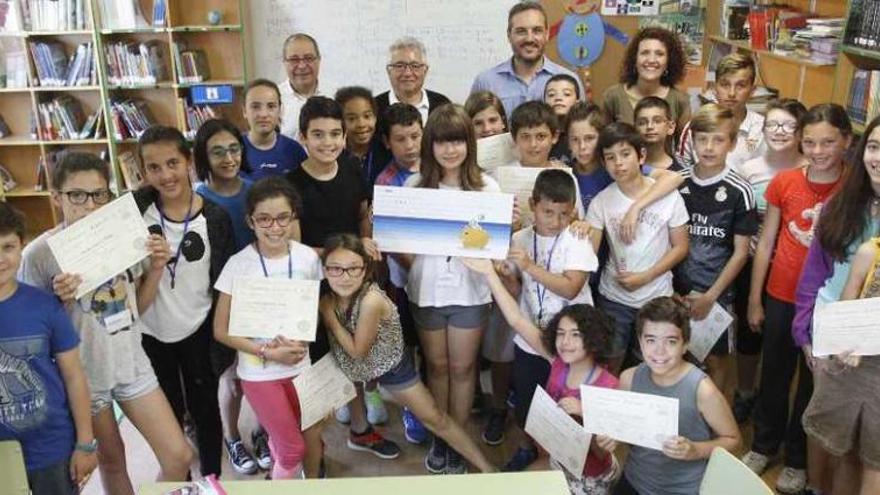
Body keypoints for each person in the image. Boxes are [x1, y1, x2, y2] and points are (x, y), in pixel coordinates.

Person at [18, 153, 191, 494]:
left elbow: (135, 308)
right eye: (77, 195)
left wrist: (156, 268)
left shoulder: (125, 235)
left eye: (99, 194)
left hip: (131, 362)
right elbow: (32, 334)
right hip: (85, 377)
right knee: (113, 461)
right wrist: (59, 301)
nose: (89, 205)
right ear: (57, 197)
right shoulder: (38, 254)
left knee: (180, 455)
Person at [319, 233, 497, 474]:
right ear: (324, 270)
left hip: (390, 366)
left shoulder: (370, 300)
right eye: (336, 269)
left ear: (365, 270)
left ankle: (486, 467)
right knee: (315, 419)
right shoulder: (328, 296)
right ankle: (349, 438)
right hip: (353, 367)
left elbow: (358, 351)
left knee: (435, 418)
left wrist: (330, 318)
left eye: (353, 268)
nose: (344, 276)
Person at [743, 104, 851, 494]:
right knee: (773, 375)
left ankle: (797, 458)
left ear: (846, 142)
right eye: (810, 142)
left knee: (811, 385)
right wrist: (755, 297)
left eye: (828, 142)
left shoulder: (853, 188)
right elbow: (767, 241)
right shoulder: (786, 182)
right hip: (780, 295)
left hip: (828, 306)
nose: (819, 150)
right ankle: (762, 444)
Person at [287, 96, 398, 458]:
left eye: (336, 133)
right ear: (303, 136)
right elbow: (295, 247)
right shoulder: (293, 184)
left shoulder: (351, 168)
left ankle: (360, 428)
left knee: (353, 359)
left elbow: (363, 215)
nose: (328, 142)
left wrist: (368, 259)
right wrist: (344, 255)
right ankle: (314, 448)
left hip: (355, 281)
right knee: (321, 363)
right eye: (318, 135)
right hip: (316, 287)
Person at [399, 104, 500, 474]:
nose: (451, 150)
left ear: (469, 144)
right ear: (431, 146)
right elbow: (402, 240)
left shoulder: (487, 186)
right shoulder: (414, 185)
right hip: (426, 291)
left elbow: (492, 244)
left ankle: (458, 440)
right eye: (442, 142)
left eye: (457, 141)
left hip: (471, 292)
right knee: (437, 367)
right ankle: (441, 436)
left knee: (462, 368)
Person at [463, 256, 620, 494]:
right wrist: (489, 273)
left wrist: (585, 412)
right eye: (561, 333)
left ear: (594, 339)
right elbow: (516, 319)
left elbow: (601, 452)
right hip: (557, 460)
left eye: (576, 335)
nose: (565, 342)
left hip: (589, 477)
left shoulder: (608, 386)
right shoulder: (557, 361)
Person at [134, 125, 237, 479]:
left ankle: (210, 479)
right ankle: (181, 481)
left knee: (206, 409)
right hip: (150, 332)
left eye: (172, 163)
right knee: (169, 411)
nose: (165, 175)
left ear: (189, 162)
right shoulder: (135, 215)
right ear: (142, 172)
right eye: (154, 167)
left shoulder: (216, 218)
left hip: (198, 329)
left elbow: (223, 283)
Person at [791, 114, 880, 495]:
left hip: (874, 351)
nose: (878, 158)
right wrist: (806, 333)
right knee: (831, 434)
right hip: (833, 334)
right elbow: (814, 277)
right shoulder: (839, 206)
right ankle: (816, 487)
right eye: (874, 147)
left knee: (869, 450)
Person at [213, 178, 323, 479]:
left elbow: (310, 307)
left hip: (301, 365)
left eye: (282, 217)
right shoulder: (239, 265)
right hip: (259, 372)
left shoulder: (308, 258)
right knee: (292, 450)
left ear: (294, 217)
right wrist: (265, 351)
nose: (274, 226)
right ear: (250, 221)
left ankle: (278, 473)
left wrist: (298, 341)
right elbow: (221, 330)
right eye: (264, 218)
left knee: (290, 439)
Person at [496, 169, 600, 473]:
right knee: (529, 402)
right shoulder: (519, 238)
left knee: (567, 405)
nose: (555, 221)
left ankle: (567, 461)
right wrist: (506, 277)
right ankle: (530, 449)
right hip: (531, 338)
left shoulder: (577, 238)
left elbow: (570, 287)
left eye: (563, 214)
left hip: (572, 344)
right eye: (547, 212)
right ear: (533, 205)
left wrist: (528, 266)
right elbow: (517, 290)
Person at [0, 202, 98, 495]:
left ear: (22, 247)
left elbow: (74, 377)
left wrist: (85, 443)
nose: (0, 257)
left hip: (52, 448)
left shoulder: (45, 306)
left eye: (8, 247)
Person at [192, 119, 269, 473]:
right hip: (219, 299)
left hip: (260, 295)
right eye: (217, 151)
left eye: (234, 149)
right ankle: (232, 436)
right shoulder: (197, 200)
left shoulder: (256, 190)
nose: (228, 158)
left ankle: (262, 432)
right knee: (230, 377)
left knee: (264, 370)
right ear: (203, 156)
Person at [586, 122, 689, 375]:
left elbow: (681, 247)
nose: (618, 163)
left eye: (625, 154)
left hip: (657, 296)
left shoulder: (669, 197)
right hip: (613, 298)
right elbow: (589, 253)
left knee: (654, 365)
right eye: (610, 158)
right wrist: (578, 227)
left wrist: (646, 276)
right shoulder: (602, 201)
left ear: (641, 155)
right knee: (609, 362)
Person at [613, 297, 741, 495]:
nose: (659, 351)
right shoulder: (629, 379)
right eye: (650, 340)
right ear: (640, 342)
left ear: (685, 345)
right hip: (635, 480)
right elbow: (625, 428)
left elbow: (733, 440)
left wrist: (695, 450)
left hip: (684, 489)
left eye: (671, 341)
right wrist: (613, 437)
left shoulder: (702, 389)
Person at [733, 98, 807, 425]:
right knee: (749, 333)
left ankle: (773, 398)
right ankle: (745, 392)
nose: (779, 131)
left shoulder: (809, 169)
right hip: (752, 261)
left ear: (801, 131)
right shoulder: (750, 169)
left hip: (793, 269)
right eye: (772, 125)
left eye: (788, 125)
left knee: (783, 342)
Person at [674, 104, 758, 392]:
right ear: (692, 140)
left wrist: (710, 296)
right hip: (676, 292)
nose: (709, 147)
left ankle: (714, 426)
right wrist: (672, 289)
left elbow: (741, 252)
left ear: (732, 143)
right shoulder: (678, 181)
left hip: (716, 296)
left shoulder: (740, 191)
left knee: (715, 363)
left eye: (718, 140)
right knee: (675, 357)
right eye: (702, 139)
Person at [797, 235, 880, 495]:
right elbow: (846, 309)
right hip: (857, 370)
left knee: (876, 464)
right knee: (848, 453)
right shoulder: (870, 252)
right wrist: (848, 341)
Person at [374, 102, 429, 445]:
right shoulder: (386, 182)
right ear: (386, 142)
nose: (410, 146)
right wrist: (420, 268)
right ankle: (412, 405)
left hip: (440, 280)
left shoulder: (436, 169)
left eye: (415, 136)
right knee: (409, 342)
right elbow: (391, 240)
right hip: (404, 279)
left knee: (431, 345)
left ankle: (432, 399)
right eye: (400, 139)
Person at [471, 1, 584, 117]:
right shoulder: (485, 82)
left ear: (547, 34)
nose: (529, 39)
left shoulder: (569, 81)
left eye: (537, 31)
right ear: (509, 35)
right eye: (521, 31)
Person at [678, 53, 764, 172]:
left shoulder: (762, 129)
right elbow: (681, 172)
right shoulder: (695, 125)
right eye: (725, 85)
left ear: (752, 91)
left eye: (741, 85)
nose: (732, 93)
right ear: (714, 88)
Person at [601, 27, 690, 131]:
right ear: (635, 59)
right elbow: (604, 142)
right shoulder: (613, 97)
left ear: (668, 62)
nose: (651, 60)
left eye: (659, 54)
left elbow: (685, 145)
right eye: (645, 53)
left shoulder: (679, 101)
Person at [241, 79, 308, 181]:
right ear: (244, 111)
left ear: (280, 110)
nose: (263, 114)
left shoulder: (294, 150)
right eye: (255, 107)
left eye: (271, 106)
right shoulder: (234, 150)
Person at [376, 37, 451, 125]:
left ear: (425, 70)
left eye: (415, 66)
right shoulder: (374, 109)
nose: (407, 73)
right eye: (400, 66)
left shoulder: (442, 105)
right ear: (389, 71)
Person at [335, 86, 393, 191]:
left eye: (367, 116)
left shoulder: (387, 152)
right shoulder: (334, 154)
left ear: (375, 117)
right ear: (340, 121)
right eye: (351, 118)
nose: (361, 124)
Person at [279, 33, 323, 141]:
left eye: (308, 58)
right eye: (294, 60)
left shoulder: (335, 95)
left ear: (319, 60)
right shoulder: (273, 100)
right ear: (284, 62)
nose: (302, 66)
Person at [634, 96, 681, 171]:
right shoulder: (626, 168)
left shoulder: (681, 174)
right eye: (642, 122)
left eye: (657, 121)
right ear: (635, 128)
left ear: (670, 127)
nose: (649, 127)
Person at [544, 73, 581, 165]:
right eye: (551, 95)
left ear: (577, 102)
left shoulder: (585, 133)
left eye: (566, 94)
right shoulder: (541, 135)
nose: (558, 98)